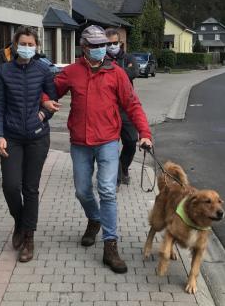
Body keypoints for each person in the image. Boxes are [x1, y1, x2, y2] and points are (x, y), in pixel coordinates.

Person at [44, 25, 152, 273]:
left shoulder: (116, 73)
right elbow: (50, 91)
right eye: (95, 46)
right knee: (82, 191)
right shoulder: (72, 72)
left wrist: (144, 133)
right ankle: (94, 219)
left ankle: (110, 245)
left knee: (107, 190)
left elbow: (133, 105)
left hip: (107, 142)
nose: (100, 50)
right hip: (80, 143)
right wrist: (45, 101)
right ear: (84, 48)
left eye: (103, 45)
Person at [0, 26, 56, 263]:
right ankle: (19, 221)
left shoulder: (43, 70)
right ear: (15, 45)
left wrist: (43, 114)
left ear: (37, 46)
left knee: (30, 188)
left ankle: (28, 237)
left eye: (31, 44)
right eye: (23, 44)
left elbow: (52, 99)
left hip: (38, 137)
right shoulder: (3, 71)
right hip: (12, 136)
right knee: (10, 185)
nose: (27, 48)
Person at [104, 29, 139, 187]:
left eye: (114, 43)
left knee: (131, 141)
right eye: (108, 43)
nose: (112, 46)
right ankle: (116, 179)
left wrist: (114, 72)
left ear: (120, 43)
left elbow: (134, 71)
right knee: (111, 145)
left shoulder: (128, 58)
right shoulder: (101, 59)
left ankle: (123, 167)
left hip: (126, 107)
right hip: (108, 108)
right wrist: (123, 72)